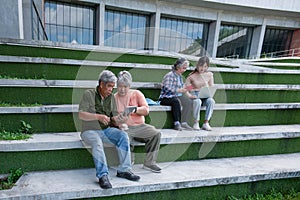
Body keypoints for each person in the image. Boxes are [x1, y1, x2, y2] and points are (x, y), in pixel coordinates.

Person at [78, 70, 140, 189]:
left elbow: (113, 118)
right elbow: (81, 114)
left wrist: (121, 120)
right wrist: (98, 117)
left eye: (113, 86)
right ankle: (103, 175)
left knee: (123, 136)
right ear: (101, 84)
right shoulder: (89, 94)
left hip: (106, 130)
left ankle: (124, 170)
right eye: (109, 86)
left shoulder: (111, 97)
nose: (111, 89)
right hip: (89, 131)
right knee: (97, 141)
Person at [114, 71, 162, 173]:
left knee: (156, 134)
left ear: (129, 86)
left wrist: (135, 109)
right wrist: (119, 122)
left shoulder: (137, 93)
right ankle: (128, 162)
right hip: (124, 127)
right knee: (124, 136)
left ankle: (149, 163)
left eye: (125, 87)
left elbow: (146, 110)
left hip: (140, 126)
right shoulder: (114, 98)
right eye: (120, 86)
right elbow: (112, 118)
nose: (122, 89)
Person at [158, 57, 194, 131]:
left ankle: (183, 122)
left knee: (188, 102)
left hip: (176, 96)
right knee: (176, 101)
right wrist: (179, 90)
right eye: (184, 68)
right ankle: (176, 123)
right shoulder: (170, 75)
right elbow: (167, 87)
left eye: (185, 68)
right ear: (178, 67)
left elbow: (181, 87)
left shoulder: (179, 77)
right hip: (166, 97)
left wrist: (187, 88)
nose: (185, 70)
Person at [185, 56, 215, 131]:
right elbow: (186, 89)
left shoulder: (209, 75)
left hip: (205, 95)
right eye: (201, 66)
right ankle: (196, 122)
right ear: (197, 65)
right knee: (197, 101)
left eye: (205, 66)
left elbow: (211, 87)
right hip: (195, 95)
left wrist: (209, 93)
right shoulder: (191, 76)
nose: (202, 68)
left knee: (211, 101)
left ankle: (206, 123)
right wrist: (191, 95)